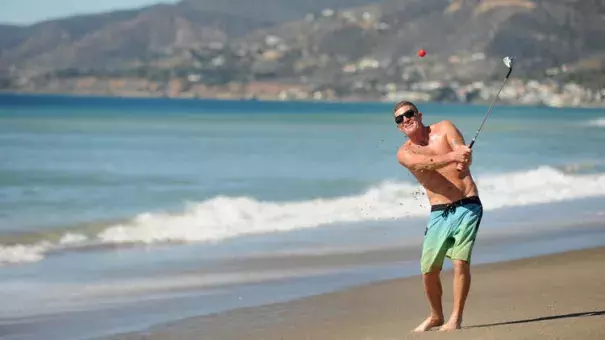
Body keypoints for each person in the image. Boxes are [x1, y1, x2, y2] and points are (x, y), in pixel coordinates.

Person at [393, 100, 484, 332]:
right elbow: (426, 163)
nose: (405, 120)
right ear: (398, 127)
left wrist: (465, 159)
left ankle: (456, 318)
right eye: (399, 119)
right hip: (439, 212)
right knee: (429, 270)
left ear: (419, 114)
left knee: (459, 262)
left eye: (409, 114)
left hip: (468, 204)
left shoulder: (445, 128)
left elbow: (462, 153)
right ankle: (436, 316)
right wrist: (454, 157)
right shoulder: (405, 153)